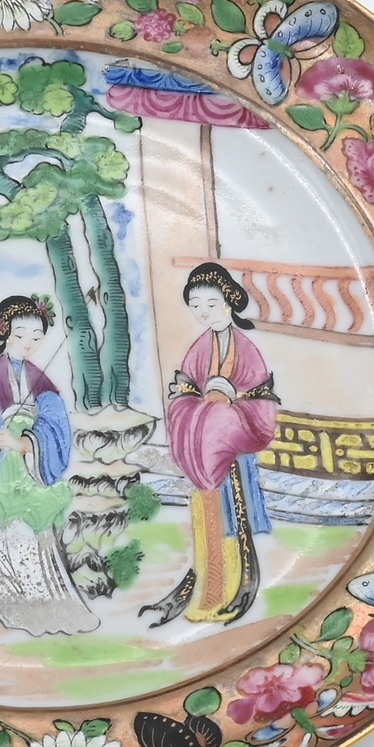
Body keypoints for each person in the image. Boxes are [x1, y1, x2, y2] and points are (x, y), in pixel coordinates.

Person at [149, 262, 281, 627]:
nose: (203, 311)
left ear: (228, 301)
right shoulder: (199, 348)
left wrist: (229, 401)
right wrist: (202, 406)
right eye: (195, 305)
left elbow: (261, 400)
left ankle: (230, 591)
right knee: (207, 521)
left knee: (231, 523)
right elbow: (183, 393)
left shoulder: (248, 350)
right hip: (204, 453)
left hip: (233, 450)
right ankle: (207, 593)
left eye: (210, 303)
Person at [0, 296, 100, 636]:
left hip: (32, 473)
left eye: (37, 337)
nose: (29, 342)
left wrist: (23, 443)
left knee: (28, 535)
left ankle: (46, 609)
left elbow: (56, 426)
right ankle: (14, 610)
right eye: (21, 334)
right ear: (5, 332)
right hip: (6, 476)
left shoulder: (40, 380)